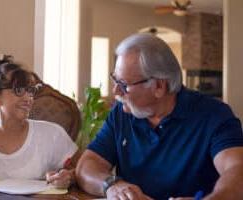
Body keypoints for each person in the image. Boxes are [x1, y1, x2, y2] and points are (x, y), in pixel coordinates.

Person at [75, 33, 243, 200]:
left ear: (159, 86)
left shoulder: (214, 115)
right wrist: (111, 185)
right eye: (115, 80)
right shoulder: (121, 113)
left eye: (124, 85)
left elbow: (237, 170)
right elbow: (86, 166)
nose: (116, 92)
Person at [0, 55, 78, 189]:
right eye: (18, 90)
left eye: (30, 90)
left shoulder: (52, 134)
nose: (28, 98)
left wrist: (68, 177)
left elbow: (83, 169)